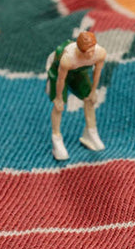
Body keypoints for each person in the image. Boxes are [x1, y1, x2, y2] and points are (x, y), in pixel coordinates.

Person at [46, 30, 108, 160]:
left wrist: (93, 91)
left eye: (92, 50)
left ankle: (90, 131)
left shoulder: (100, 53)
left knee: (90, 100)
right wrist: (58, 98)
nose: (90, 55)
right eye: (87, 52)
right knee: (59, 106)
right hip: (58, 73)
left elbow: (97, 72)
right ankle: (56, 137)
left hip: (78, 72)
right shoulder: (68, 59)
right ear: (79, 50)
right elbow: (61, 80)